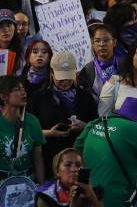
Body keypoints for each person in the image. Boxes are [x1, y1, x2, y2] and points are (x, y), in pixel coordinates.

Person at [75, 97, 137, 207]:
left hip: (87, 193)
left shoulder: (95, 122)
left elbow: (77, 148)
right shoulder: (134, 128)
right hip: (115, 196)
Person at [27, 50, 98, 180]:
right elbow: (28, 131)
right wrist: (50, 133)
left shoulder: (85, 97)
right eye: (61, 78)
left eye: (69, 77)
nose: (65, 82)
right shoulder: (38, 98)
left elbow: (97, 127)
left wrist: (85, 126)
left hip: (80, 162)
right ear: (51, 73)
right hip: (49, 162)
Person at [0, 74, 45, 199]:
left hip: (27, 183)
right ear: (4, 97)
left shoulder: (33, 121)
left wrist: (41, 186)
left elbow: (38, 158)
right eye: (17, 90)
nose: (23, 93)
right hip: (0, 185)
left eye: (23, 89)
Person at [35, 147, 103, 207]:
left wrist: (92, 197)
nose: (74, 169)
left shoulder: (92, 192)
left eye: (78, 165)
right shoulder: (46, 196)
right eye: (68, 165)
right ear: (57, 171)